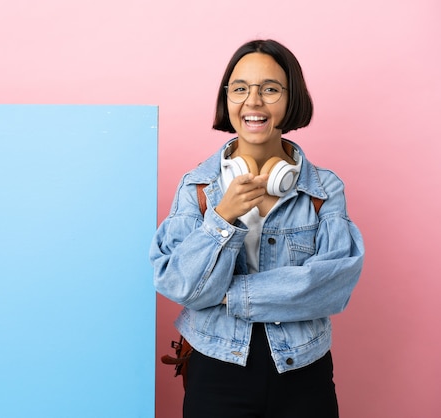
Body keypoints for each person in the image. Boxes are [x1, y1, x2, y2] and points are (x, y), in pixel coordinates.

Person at [150, 39, 364, 418]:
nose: (253, 101)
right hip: (215, 367)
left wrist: (227, 295)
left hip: (304, 369)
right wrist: (222, 217)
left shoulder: (323, 189)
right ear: (227, 99)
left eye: (269, 89)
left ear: (290, 98)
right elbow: (177, 284)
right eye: (240, 88)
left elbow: (332, 286)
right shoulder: (198, 187)